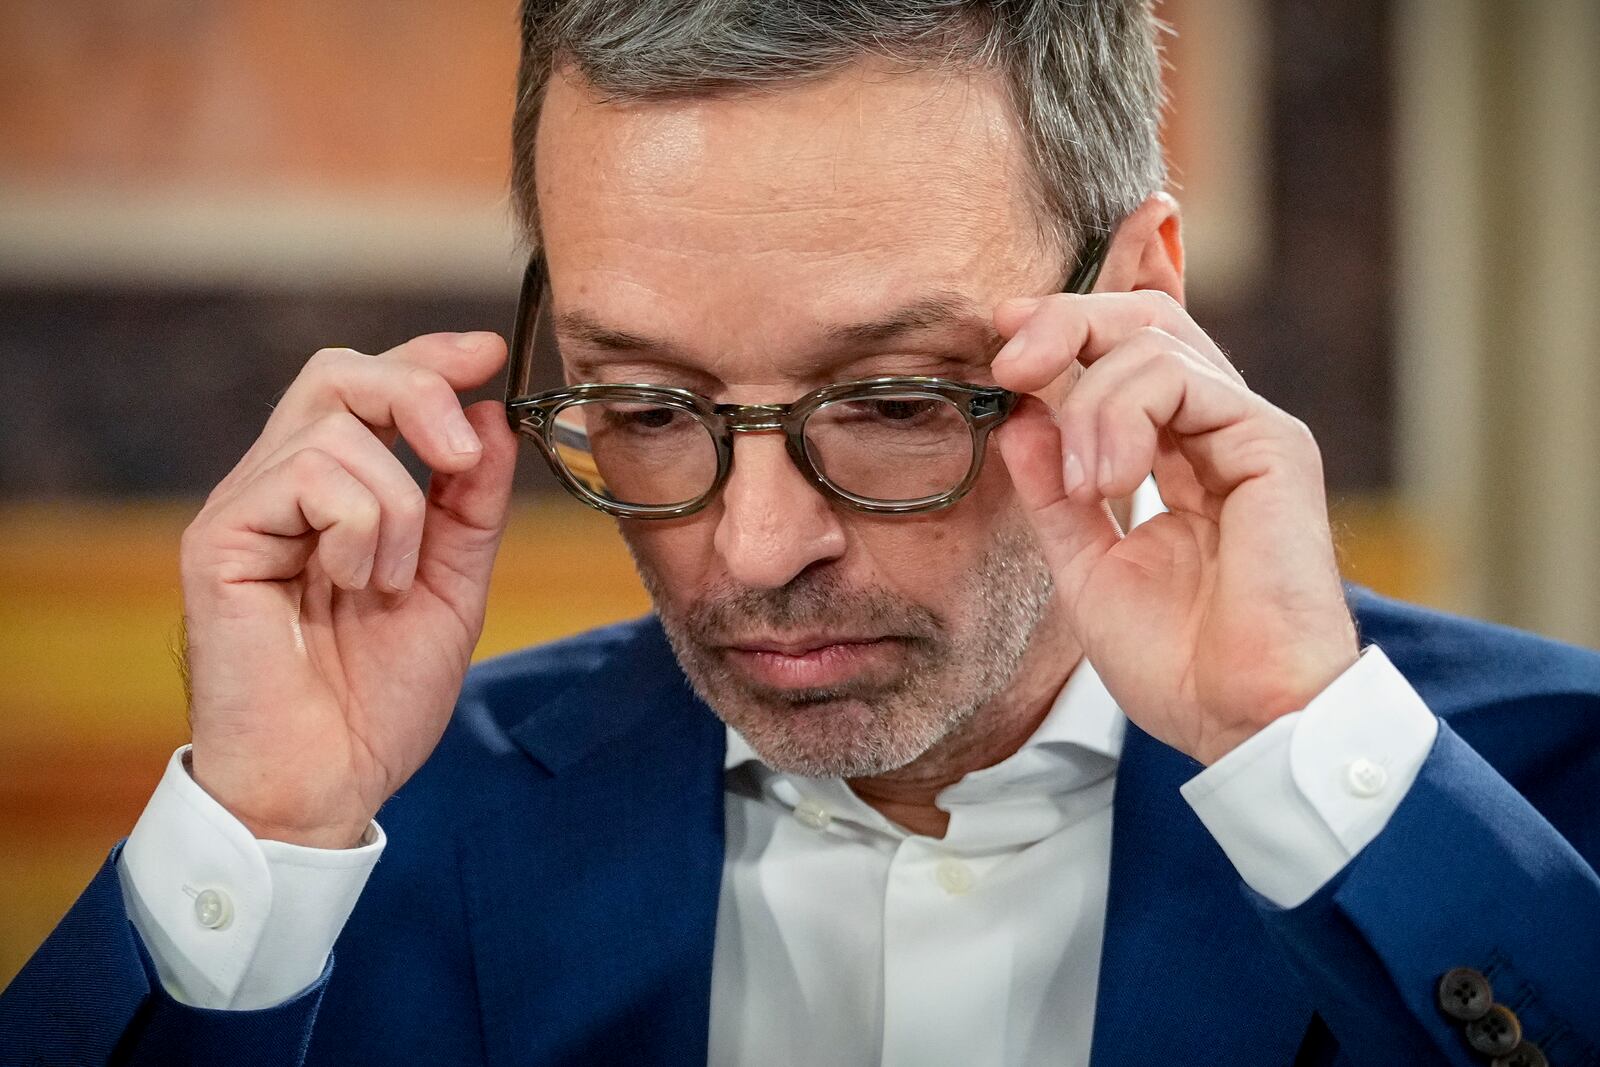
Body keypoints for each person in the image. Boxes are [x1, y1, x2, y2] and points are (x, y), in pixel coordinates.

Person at [4, 1, 1598, 1064]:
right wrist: (260, 832)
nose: (755, 551)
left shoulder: (1540, 809)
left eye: (893, 398)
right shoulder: (358, 850)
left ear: (1139, 302)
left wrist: (1303, 760)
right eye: (643, 399)